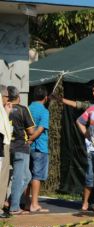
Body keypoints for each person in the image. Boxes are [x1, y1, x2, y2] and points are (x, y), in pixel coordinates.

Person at [7, 86, 35, 215]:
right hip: (20, 147)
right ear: (18, 96)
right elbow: (30, 131)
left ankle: (11, 200)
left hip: (7, 146)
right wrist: (31, 138)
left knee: (27, 176)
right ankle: (14, 206)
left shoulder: (4, 109)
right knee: (19, 177)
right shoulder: (23, 109)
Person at [27, 86, 50, 212]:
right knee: (36, 176)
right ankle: (34, 204)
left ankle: (26, 202)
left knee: (27, 175)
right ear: (45, 98)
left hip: (28, 148)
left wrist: (28, 141)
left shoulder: (28, 108)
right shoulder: (44, 111)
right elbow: (40, 129)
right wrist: (31, 139)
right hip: (40, 147)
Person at [0, 85, 12, 218]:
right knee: (2, 177)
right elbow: (4, 132)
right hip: (2, 148)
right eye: (6, 96)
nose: (8, 99)